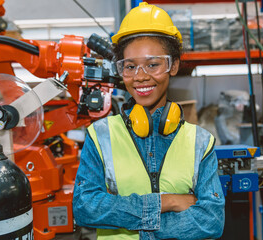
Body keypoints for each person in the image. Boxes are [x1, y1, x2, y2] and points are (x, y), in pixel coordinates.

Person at [73, 2, 225, 239]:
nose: (140, 77)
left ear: (173, 65)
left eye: (153, 64)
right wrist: (168, 202)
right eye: (130, 67)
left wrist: (130, 222)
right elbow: (85, 208)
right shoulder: (100, 135)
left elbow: (211, 220)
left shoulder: (200, 142)